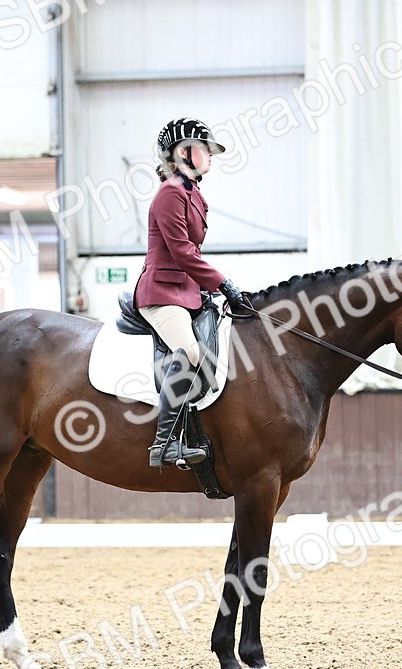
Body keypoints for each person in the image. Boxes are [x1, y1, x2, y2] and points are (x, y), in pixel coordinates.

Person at [133, 117, 252, 468]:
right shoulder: (171, 192)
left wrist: (207, 289)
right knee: (187, 349)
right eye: (203, 150)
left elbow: (191, 255)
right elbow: (183, 252)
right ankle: (165, 443)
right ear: (182, 154)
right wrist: (223, 284)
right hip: (160, 292)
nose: (210, 156)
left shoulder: (192, 192)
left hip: (184, 290)